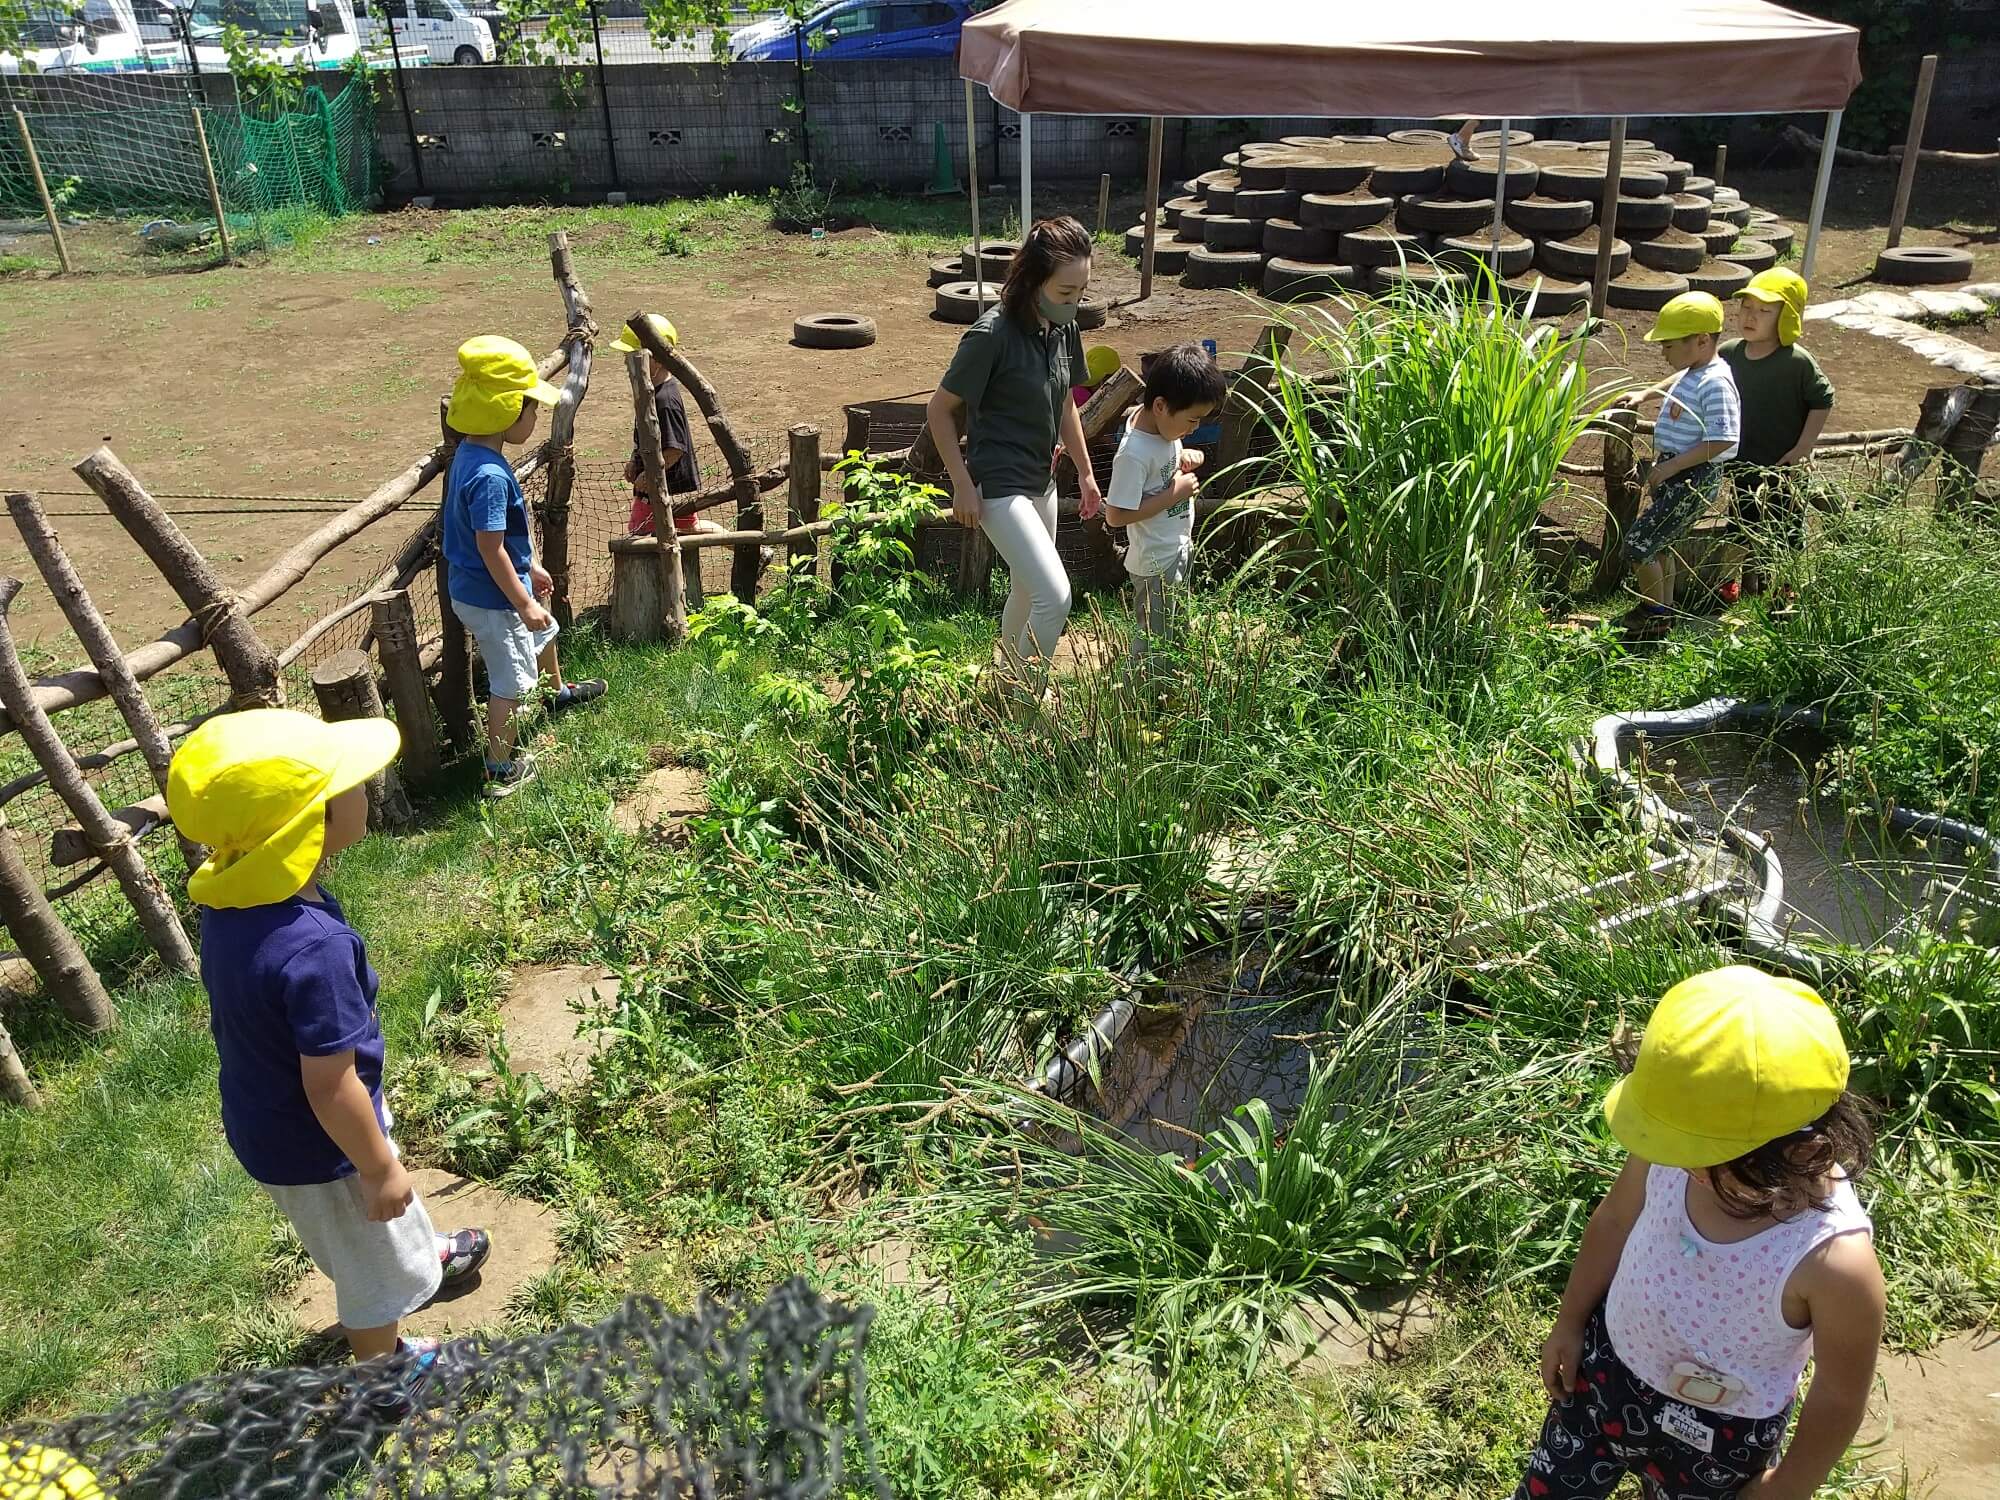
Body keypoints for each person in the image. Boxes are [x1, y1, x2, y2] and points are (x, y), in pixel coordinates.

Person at [165, 709, 495, 1377]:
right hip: (324, 1144)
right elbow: (330, 1086)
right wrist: (376, 1168)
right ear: (308, 825)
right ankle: (385, 1372)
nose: (364, 790)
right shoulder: (315, 951)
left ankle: (415, 1246)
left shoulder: (234, 903)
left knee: (374, 1215)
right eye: (346, 786)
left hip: (274, 1120)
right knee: (367, 1264)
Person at [1515, 966, 1883, 1500]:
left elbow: (1840, 1393)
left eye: (1698, 1158)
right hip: (1608, 1372)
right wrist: (1569, 1322)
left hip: (1724, 1433)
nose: (1674, 1162)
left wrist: (1788, 1488)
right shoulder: (1679, 1137)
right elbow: (1616, 1219)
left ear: (1797, 1149)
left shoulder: (1832, 1263)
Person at [926, 215, 1103, 684]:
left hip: (1040, 480)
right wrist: (962, 484)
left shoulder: (1063, 329)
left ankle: (1006, 679)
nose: (1074, 303)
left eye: (1081, 292)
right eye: (1066, 293)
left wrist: (1085, 473)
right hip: (999, 485)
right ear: (1032, 280)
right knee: (1056, 595)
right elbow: (939, 411)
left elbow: (1065, 402)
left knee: (1026, 592)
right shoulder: (991, 336)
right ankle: (1026, 695)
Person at [441, 335, 605, 797]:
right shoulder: (490, 476)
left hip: (493, 586)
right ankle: (498, 769)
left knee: (544, 632)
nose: (535, 416)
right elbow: (489, 548)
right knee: (511, 682)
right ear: (507, 411)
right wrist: (523, 602)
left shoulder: (473, 456)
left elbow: (499, 544)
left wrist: (529, 568)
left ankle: (558, 692)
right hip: (493, 597)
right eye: (530, 408)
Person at [1616, 293, 1741, 642]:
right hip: (1678, 474)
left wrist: (1672, 469)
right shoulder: (1696, 371)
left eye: (1669, 344)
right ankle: (1664, 612)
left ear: (1701, 340)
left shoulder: (1716, 382)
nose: (1663, 352)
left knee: (1640, 544)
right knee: (1661, 545)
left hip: (1693, 477)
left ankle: (1652, 614)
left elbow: (1724, 441)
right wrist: (1645, 395)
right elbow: (1677, 380)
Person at [1102, 342, 1227, 670]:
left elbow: (1163, 469)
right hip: (1155, 559)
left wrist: (1183, 458)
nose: (1194, 428)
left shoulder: (1163, 429)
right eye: (1192, 420)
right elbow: (1115, 515)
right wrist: (1174, 493)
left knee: (1174, 625)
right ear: (1160, 405)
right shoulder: (1133, 454)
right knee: (1154, 637)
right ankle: (1147, 693)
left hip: (1174, 546)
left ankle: (1174, 683)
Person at [1718, 269, 1835, 601]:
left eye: (1764, 311)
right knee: (1739, 525)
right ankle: (1729, 586)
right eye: (1747, 307)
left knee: (1786, 530)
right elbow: (1699, 375)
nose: (1751, 317)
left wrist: (1804, 446)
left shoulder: (1797, 362)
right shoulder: (1730, 352)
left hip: (1785, 466)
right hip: (1743, 462)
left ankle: (1784, 589)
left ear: (1788, 317)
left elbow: (1823, 399)